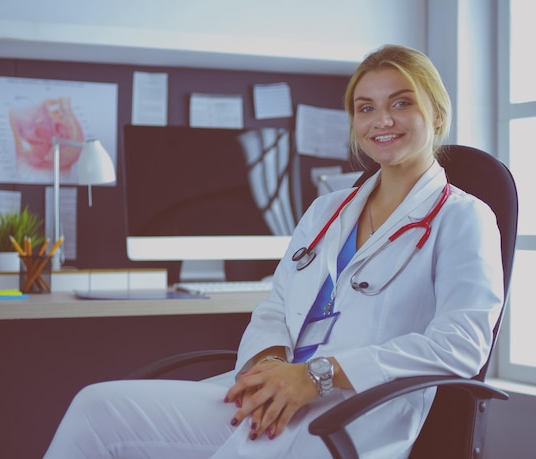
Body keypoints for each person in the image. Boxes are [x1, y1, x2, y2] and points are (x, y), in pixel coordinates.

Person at [43, 44, 503, 459]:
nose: (381, 120)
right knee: (96, 408)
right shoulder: (327, 209)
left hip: (351, 409)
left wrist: (319, 374)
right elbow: (276, 304)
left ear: (438, 116)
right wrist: (269, 364)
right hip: (275, 386)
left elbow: (461, 345)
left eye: (400, 103)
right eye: (366, 108)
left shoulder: (464, 218)